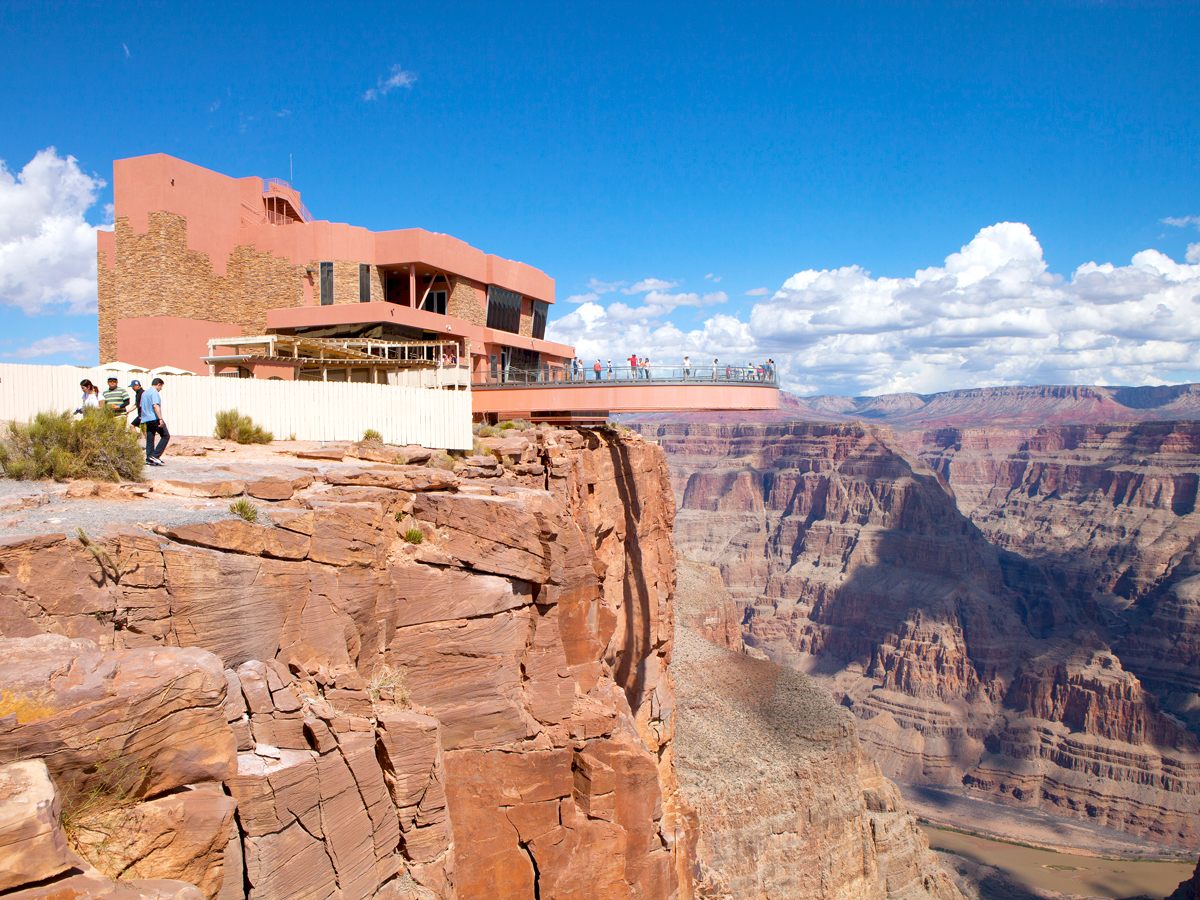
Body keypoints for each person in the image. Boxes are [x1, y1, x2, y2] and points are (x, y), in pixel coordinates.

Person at [140, 377, 169, 466]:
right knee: (165, 435)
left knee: (150, 438)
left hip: (146, 419)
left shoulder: (144, 393)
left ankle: (149, 458)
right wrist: (160, 418)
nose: (161, 389)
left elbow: (141, 406)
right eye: (161, 387)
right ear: (158, 384)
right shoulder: (154, 393)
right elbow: (155, 406)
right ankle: (155, 455)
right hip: (154, 418)